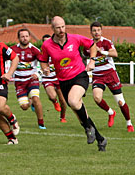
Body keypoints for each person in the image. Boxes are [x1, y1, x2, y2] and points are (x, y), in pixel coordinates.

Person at [38, 16, 108, 151]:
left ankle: (89, 128)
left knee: (73, 101)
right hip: (64, 81)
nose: (61, 30)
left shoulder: (75, 38)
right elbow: (43, 60)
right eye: (58, 27)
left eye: (63, 26)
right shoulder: (47, 45)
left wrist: (92, 60)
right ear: (52, 29)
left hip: (79, 76)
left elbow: (92, 45)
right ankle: (100, 139)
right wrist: (44, 68)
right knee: (79, 113)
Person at [84, 22, 134, 132]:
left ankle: (129, 123)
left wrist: (101, 51)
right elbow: (84, 56)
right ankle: (111, 112)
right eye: (94, 30)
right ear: (91, 32)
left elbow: (115, 53)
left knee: (120, 102)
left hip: (110, 74)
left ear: (101, 31)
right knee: (97, 98)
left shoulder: (106, 42)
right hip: (97, 75)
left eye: (98, 30)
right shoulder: (88, 44)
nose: (96, 32)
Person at [11, 28, 46, 129]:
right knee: (24, 107)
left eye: (26, 36)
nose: (25, 38)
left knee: (36, 98)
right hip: (19, 81)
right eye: (22, 36)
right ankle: (30, 102)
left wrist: (38, 73)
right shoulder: (13, 50)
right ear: (18, 38)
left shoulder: (35, 50)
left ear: (29, 37)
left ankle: (41, 123)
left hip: (32, 79)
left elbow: (44, 63)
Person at [40, 34, 67, 123]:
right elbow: (38, 64)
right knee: (52, 96)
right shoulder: (41, 53)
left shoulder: (57, 51)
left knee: (63, 101)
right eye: (45, 41)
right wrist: (43, 70)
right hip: (47, 78)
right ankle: (54, 101)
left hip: (58, 78)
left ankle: (63, 117)